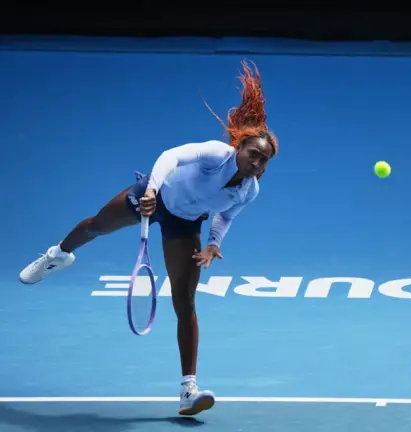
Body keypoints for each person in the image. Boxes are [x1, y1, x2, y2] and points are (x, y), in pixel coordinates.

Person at [18, 59, 278, 416]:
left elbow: (226, 215)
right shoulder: (216, 155)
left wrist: (214, 243)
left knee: (185, 303)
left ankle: (188, 390)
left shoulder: (249, 190)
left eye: (264, 161)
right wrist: (152, 189)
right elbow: (171, 157)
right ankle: (58, 255)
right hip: (154, 195)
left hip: (184, 223)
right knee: (97, 225)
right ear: (239, 147)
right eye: (254, 154)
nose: (257, 164)